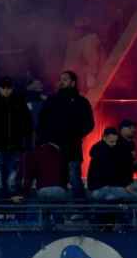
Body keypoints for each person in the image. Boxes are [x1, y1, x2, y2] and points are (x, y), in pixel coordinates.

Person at [36, 70, 95, 200]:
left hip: (72, 148)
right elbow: (42, 121)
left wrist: (76, 134)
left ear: (73, 83)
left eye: (65, 79)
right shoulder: (52, 101)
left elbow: (90, 123)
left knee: (75, 179)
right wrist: (45, 140)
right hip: (53, 149)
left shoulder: (81, 102)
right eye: (61, 79)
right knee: (56, 181)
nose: (61, 82)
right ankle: (59, 215)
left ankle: (79, 211)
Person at [15, 141, 69, 227]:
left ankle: (45, 227)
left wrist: (25, 192)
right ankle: (59, 228)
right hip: (59, 189)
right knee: (58, 212)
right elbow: (66, 174)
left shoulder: (36, 153)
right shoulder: (60, 154)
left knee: (44, 211)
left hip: (43, 189)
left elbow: (30, 175)